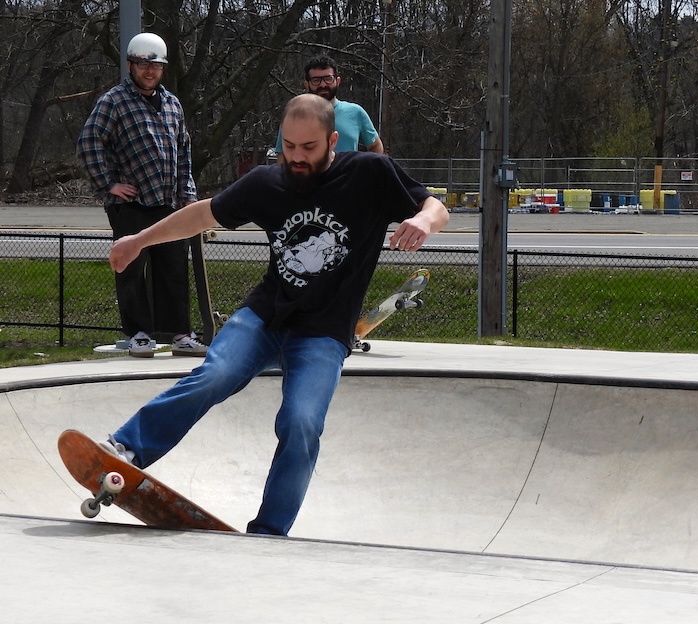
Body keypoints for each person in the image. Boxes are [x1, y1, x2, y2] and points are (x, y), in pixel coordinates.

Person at [101, 93, 449, 536]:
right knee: (215, 374)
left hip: (323, 333)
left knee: (302, 423)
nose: (297, 158)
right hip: (264, 317)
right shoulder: (267, 182)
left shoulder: (368, 173)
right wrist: (139, 240)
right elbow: (200, 215)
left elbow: (437, 206)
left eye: (309, 148)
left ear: (333, 141)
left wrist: (423, 221)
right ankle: (126, 447)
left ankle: (269, 531)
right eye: (289, 147)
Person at [77, 32, 207, 358]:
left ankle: (179, 333)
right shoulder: (113, 101)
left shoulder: (172, 104)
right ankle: (138, 334)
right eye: (143, 64)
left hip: (168, 201)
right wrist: (108, 183)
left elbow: (183, 151)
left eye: (156, 65)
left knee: (174, 268)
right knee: (131, 267)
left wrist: (187, 193)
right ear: (131, 65)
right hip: (131, 202)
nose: (150, 71)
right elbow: (89, 141)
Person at [274, 55, 384, 162]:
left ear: (338, 81)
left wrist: (370, 175)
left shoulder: (356, 112)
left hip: (347, 180)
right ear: (307, 84)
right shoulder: (294, 115)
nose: (323, 85)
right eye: (316, 80)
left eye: (328, 79)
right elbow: (283, 158)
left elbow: (375, 146)